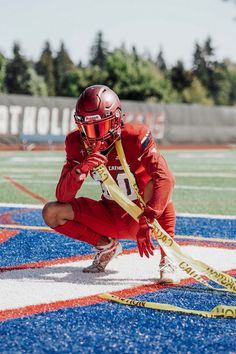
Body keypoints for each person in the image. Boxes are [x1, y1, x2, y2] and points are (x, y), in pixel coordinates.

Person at [42, 84, 179, 284]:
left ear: (116, 120)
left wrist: (148, 217)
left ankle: (168, 256)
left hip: (143, 216)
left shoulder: (135, 137)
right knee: (51, 212)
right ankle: (107, 246)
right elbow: (63, 197)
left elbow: (166, 179)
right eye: (87, 129)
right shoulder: (76, 142)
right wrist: (80, 170)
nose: (94, 136)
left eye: (99, 127)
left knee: (157, 183)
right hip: (111, 215)